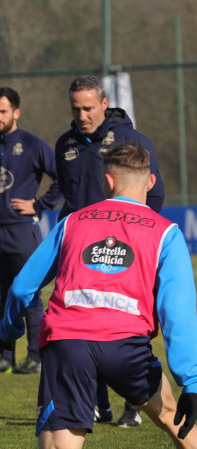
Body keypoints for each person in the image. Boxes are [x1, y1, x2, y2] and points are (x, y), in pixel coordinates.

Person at [0, 143, 197, 449]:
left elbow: (23, 287)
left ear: (107, 181)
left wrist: (8, 332)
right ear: (150, 182)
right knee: (178, 421)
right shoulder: (166, 232)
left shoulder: (72, 221)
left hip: (68, 344)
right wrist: (193, 382)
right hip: (127, 347)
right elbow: (178, 314)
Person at [55, 74, 165, 427]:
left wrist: (135, 235)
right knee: (82, 324)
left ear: (104, 104)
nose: (82, 114)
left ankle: (135, 402)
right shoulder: (65, 144)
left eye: (88, 107)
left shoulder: (132, 141)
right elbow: (68, 199)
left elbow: (155, 195)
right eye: (76, 108)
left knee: (129, 325)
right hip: (80, 254)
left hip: (122, 251)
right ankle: (98, 404)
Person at [0, 87, 61, 375]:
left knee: (29, 297)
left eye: (3, 111)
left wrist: (40, 204)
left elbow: (61, 177)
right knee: (2, 298)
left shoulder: (32, 145)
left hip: (22, 232)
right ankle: (5, 356)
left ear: (16, 112)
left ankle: (35, 357)